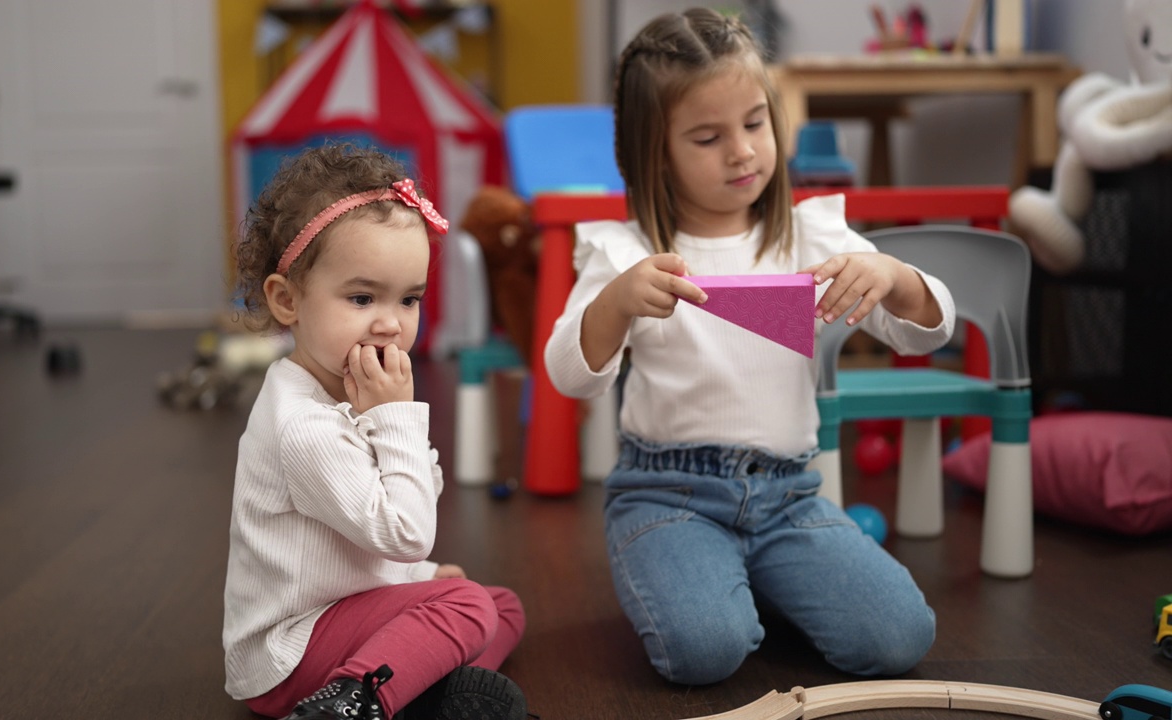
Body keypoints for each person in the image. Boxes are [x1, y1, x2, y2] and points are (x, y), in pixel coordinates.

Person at [544, 8, 955, 685]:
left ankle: (741, 582)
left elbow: (926, 329)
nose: (741, 151)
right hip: (665, 496)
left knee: (900, 637)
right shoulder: (625, 251)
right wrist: (615, 303)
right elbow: (570, 375)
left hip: (789, 499)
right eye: (708, 137)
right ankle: (699, 579)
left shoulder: (811, 235)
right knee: (704, 652)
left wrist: (893, 276)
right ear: (656, 152)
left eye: (755, 124)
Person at [224, 143, 527, 720]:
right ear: (287, 299)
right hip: (289, 653)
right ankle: (348, 705)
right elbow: (407, 531)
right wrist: (394, 418)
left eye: (409, 299)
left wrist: (418, 578)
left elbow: (396, 518)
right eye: (362, 298)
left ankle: (410, 691)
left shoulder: (346, 390)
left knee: (501, 606)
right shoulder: (303, 425)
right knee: (465, 605)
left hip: (347, 610)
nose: (390, 323)